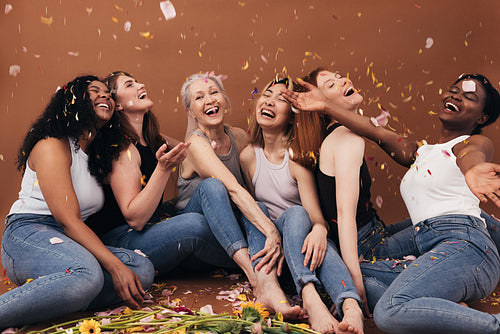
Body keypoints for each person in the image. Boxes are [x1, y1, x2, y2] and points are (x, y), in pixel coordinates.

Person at [283, 73, 500, 333]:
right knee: (347, 275)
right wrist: (326, 105)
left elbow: (471, 154)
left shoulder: (472, 143)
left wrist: (473, 170)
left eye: (469, 97)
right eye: (454, 89)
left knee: (388, 311)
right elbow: (375, 131)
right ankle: (438, 304)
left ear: (482, 117)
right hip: (430, 238)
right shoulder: (420, 152)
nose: (456, 95)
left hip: (465, 246)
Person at [0, 75, 154, 328]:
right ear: (72, 102)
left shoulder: (94, 155)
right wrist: (114, 268)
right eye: (94, 91)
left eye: (108, 93)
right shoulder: (52, 144)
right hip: (28, 234)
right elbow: (69, 220)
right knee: (90, 276)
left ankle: (59, 292)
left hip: (68, 241)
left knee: (141, 270)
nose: (105, 95)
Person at [239, 77, 364, 334]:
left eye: (281, 99)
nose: (270, 101)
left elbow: (314, 217)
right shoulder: (248, 157)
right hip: (274, 252)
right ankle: (310, 296)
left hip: (305, 244)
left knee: (301, 219)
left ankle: (351, 306)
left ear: (291, 116)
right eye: (267, 94)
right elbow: (255, 211)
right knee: (260, 211)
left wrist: (319, 230)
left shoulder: (295, 158)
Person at [86, 71, 236, 281]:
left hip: (153, 223)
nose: (141, 84)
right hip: (124, 239)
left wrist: (196, 103)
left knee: (208, 190)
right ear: (117, 105)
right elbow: (135, 219)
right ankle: (256, 261)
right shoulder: (121, 149)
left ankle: (196, 257)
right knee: (196, 224)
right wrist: (163, 169)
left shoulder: (150, 137)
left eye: (138, 80)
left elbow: (191, 148)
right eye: (130, 84)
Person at [177, 72, 303, 319]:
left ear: (224, 99)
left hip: (229, 241)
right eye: (199, 97)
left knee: (256, 205)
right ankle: (256, 279)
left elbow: (250, 191)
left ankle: (270, 287)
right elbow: (233, 189)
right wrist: (271, 231)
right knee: (214, 187)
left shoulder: (239, 137)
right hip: (197, 237)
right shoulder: (195, 143)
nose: (209, 100)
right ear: (191, 112)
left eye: (214, 92)